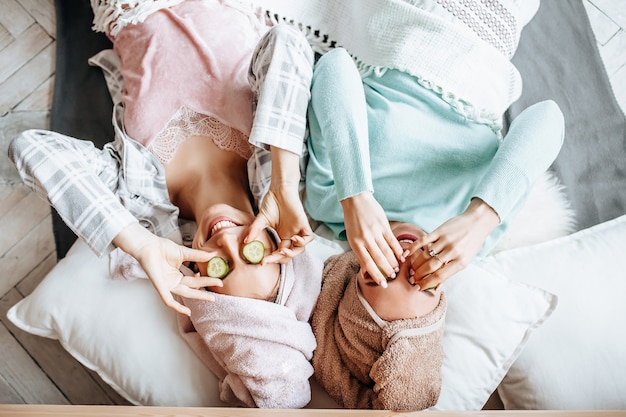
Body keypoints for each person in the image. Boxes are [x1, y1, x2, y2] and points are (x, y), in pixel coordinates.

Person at [10, 0, 320, 408]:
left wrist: (140, 243)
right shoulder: (270, 165)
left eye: (220, 268)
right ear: (277, 247)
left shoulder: (142, 198)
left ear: (192, 271)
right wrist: (283, 179)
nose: (227, 242)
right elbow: (288, 44)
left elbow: (31, 149)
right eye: (252, 251)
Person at [290, 0, 564, 292]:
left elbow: (335, 65)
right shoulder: (469, 245)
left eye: (387, 274)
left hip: (414, 23)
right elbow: (549, 118)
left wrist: (355, 195)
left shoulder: (331, 204)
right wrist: (480, 218)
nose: (409, 261)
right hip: (489, 36)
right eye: (423, 283)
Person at [311, 221, 447, 410]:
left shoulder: (330, 208)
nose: (406, 255)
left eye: (387, 272)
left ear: (362, 268)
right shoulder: (467, 230)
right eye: (423, 278)